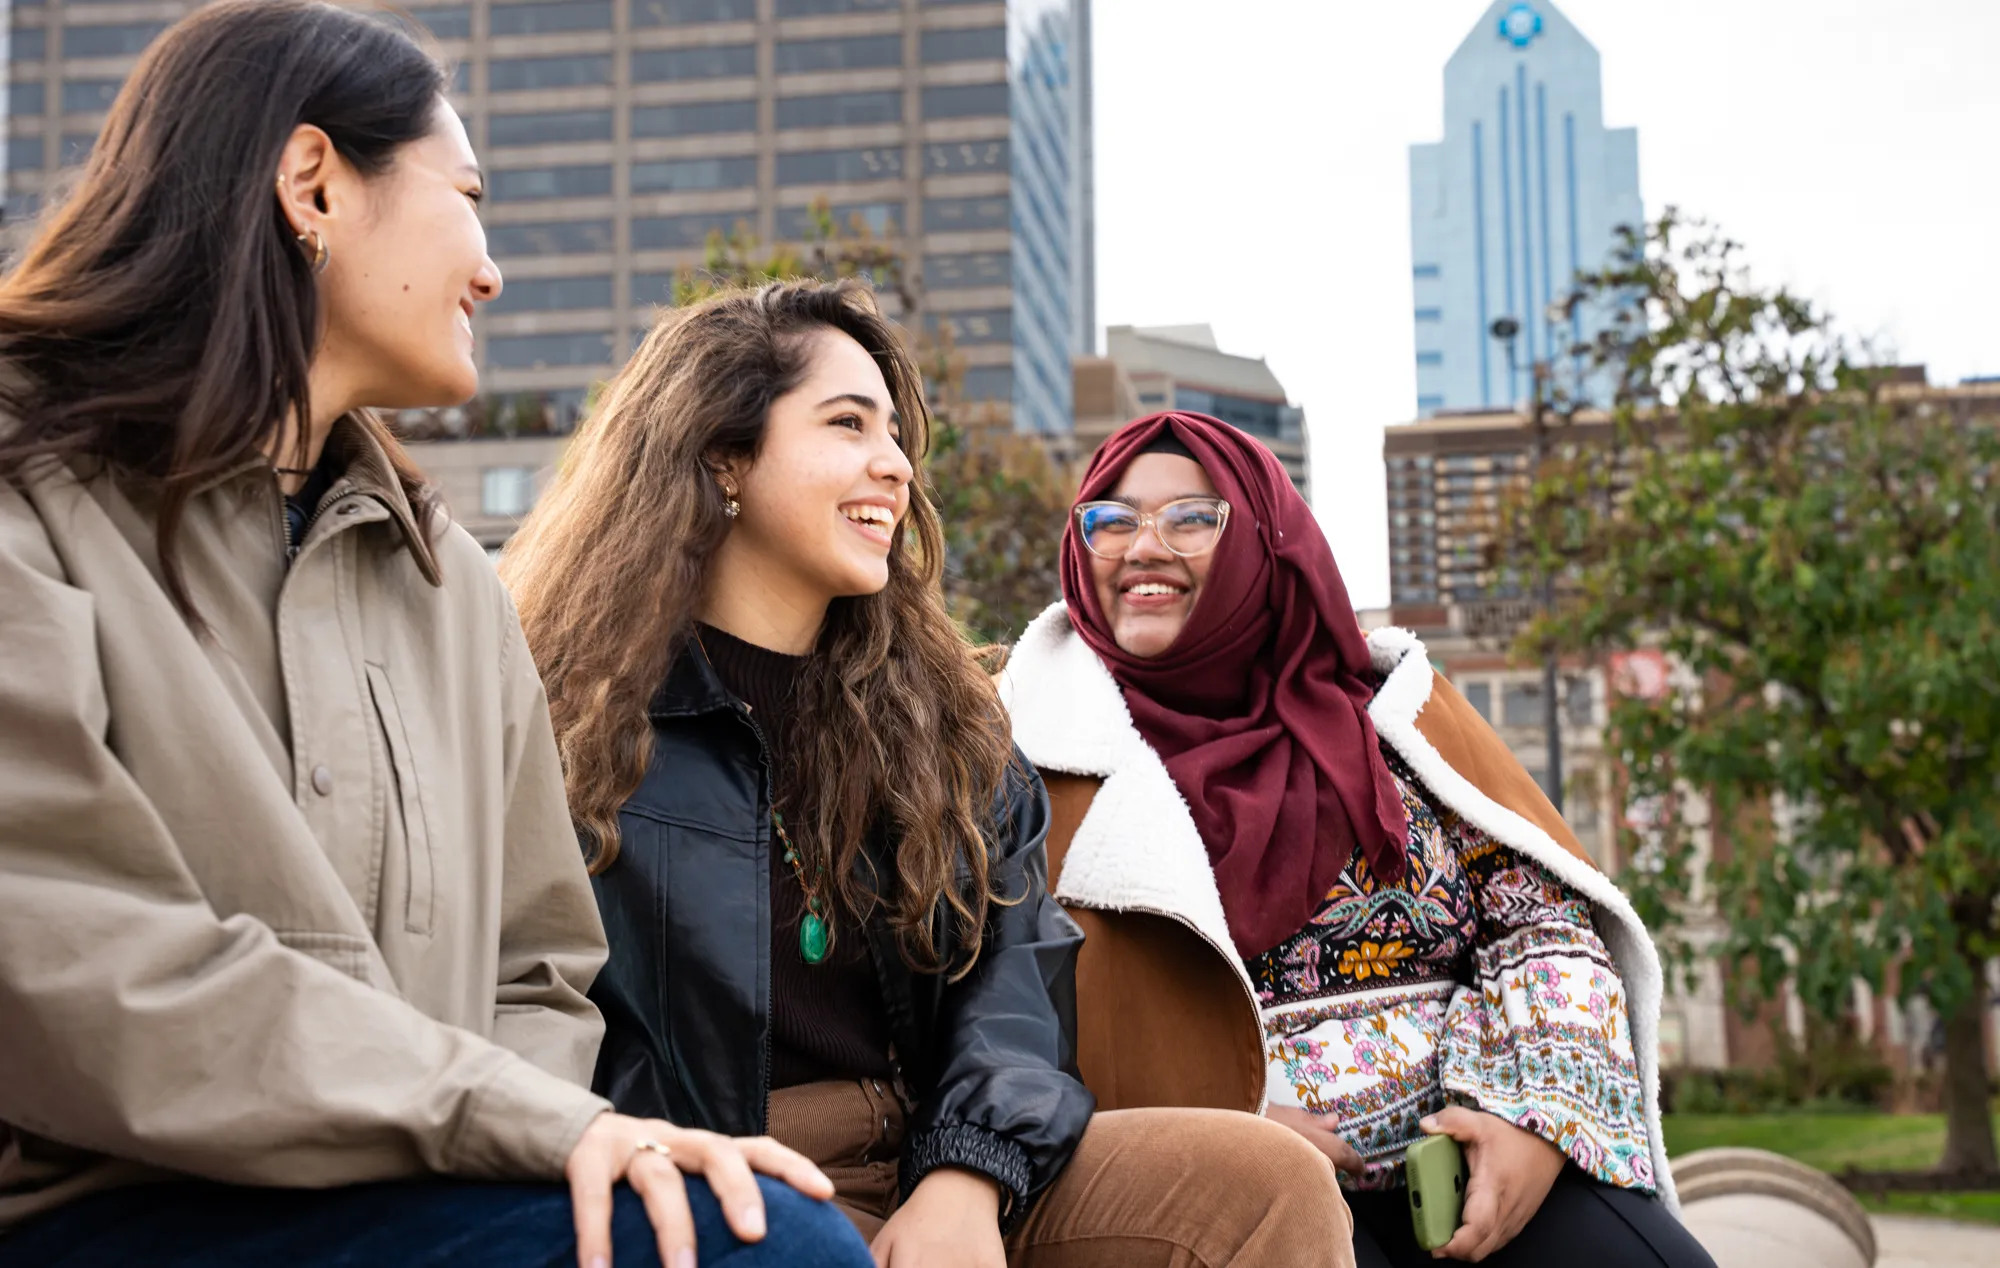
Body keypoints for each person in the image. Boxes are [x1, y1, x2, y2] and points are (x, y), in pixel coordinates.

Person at [0, 5, 867, 1266]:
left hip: (414, 1189)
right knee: (770, 1252)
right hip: (103, 1206)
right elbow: (61, 942)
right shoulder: (30, 490)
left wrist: (534, 1137)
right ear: (314, 185)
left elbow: (537, 969)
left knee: (748, 1225)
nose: (491, 268)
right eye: (466, 193)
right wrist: (509, 1117)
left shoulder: (454, 583)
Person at [501, 279, 1358, 1267]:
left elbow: (1017, 979)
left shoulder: (944, 722)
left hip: (934, 1154)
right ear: (724, 456)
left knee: (1260, 1183)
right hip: (720, 1181)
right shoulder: (565, 716)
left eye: (898, 434)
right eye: (847, 423)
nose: (894, 465)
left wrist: (966, 1173)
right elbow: (540, 1012)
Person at [1000, 411, 1719, 1268]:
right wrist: (1220, 1124)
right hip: (1232, 1195)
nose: (1143, 545)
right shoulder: (1029, 754)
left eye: (1192, 516)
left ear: (1265, 541)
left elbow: (1543, 923)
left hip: (1472, 1158)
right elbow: (998, 1008)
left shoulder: (1398, 721)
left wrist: (1535, 1123)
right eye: (1111, 520)